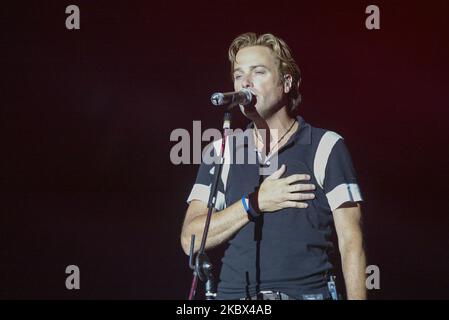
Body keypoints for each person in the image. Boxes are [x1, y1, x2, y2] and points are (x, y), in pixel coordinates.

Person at [181, 32, 366, 300]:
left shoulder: (326, 146)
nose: (245, 82)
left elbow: (352, 241)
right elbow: (191, 239)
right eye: (238, 75)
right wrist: (254, 202)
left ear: (286, 82)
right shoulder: (221, 151)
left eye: (258, 72)